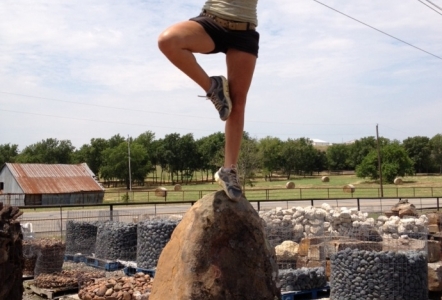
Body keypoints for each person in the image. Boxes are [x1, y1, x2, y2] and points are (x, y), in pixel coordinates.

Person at [158, 0, 259, 202]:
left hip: (244, 32)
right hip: (211, 23)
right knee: (168, 40)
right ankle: (213, 88)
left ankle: (228, 171)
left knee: (237, 105)